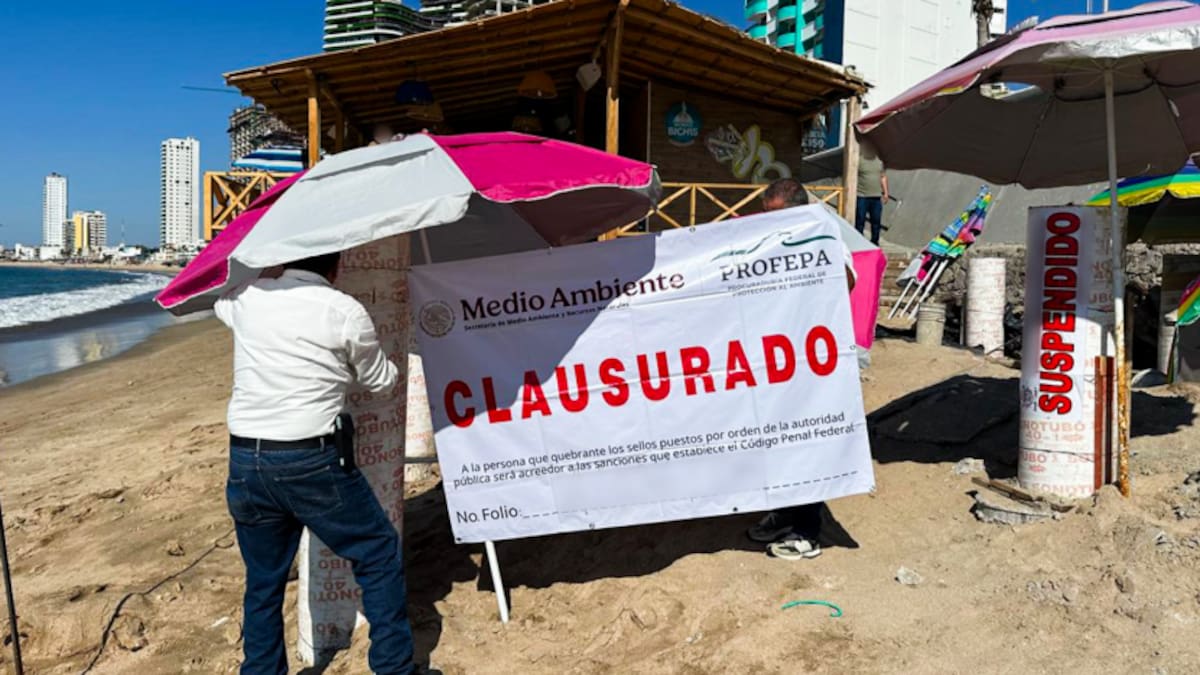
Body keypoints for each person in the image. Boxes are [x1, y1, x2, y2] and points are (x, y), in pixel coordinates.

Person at [215, 252, 421, 675]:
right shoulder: (343, 310)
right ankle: (394, 668)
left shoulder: (250, 297)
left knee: (264, 579)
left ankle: (261, 670)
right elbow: (380, 382)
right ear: (338, 266)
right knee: (378, 553)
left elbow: (218, 293)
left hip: (247, 460)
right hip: (312, 458)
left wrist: (261, 273)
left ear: (283, 259)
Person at [749, 178, 855, 560]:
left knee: (805, 443)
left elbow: (846, 281)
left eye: (776, 215)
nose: (769, 222)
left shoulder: (823, 239)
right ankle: (785, 512)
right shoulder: (762, 243)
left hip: (809, 365)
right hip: (771, 362)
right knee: (774, 442)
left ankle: (808, 532)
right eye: (765, 215)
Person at [856, 154, 888, 245]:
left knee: (876, 221)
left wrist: (885, 192)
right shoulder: (859, 160)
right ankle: (859, 242)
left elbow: (883, 177)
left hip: (876, 197)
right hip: (862, 196)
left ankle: (875, 242)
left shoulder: (880, 162)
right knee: (860, 220)